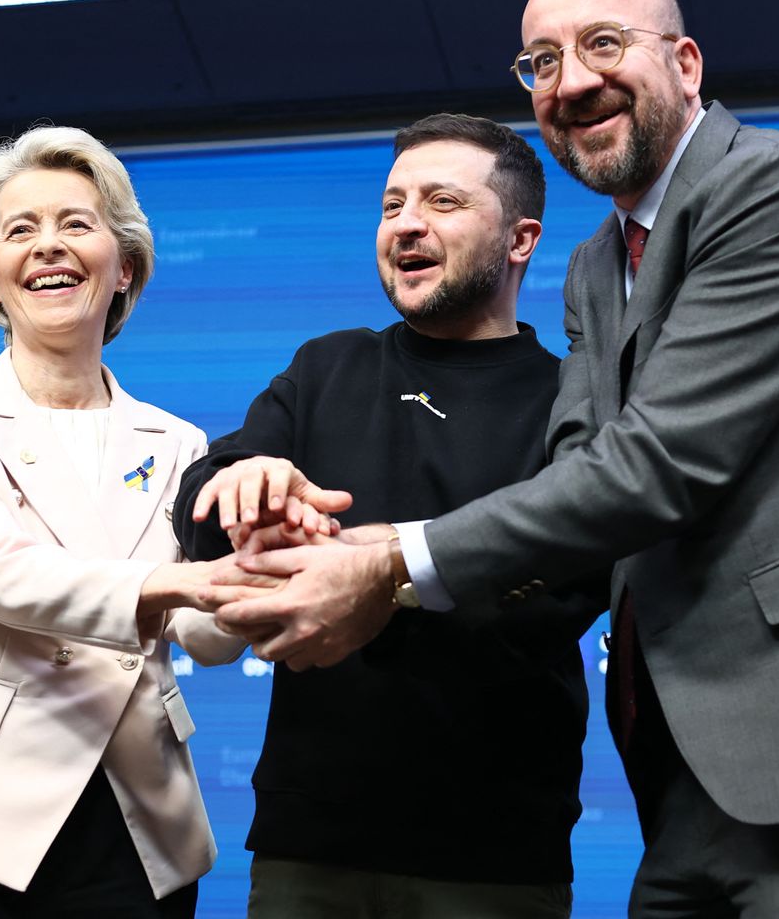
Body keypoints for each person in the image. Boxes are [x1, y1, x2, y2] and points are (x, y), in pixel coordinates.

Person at [208, 0, 779, 918]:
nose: (571, 81)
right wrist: (342, 546)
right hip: (691, 752)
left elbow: (660, 463)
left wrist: (389, 563)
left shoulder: (778, 187)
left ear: (685, 62)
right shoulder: (600, 262)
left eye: (603, 44)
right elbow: (581, 471)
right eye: (541, 62)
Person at [176, 113, 605, 918]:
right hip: (308, 844)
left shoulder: (568, 397)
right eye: (391, 204)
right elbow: (202, 513)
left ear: (520, 240)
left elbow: (567, 583)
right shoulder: (326, 366)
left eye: (442, 202)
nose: (406, 223)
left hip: (494, 855)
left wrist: (380, 575)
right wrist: (248, 480)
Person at [0, 125, 265, 918]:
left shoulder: (180, 441)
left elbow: (207, 637)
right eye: (21, 231)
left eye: (77, 224)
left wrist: (249, 572)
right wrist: (179, 581)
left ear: (124, 269)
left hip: (138, 825)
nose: (49, 247)